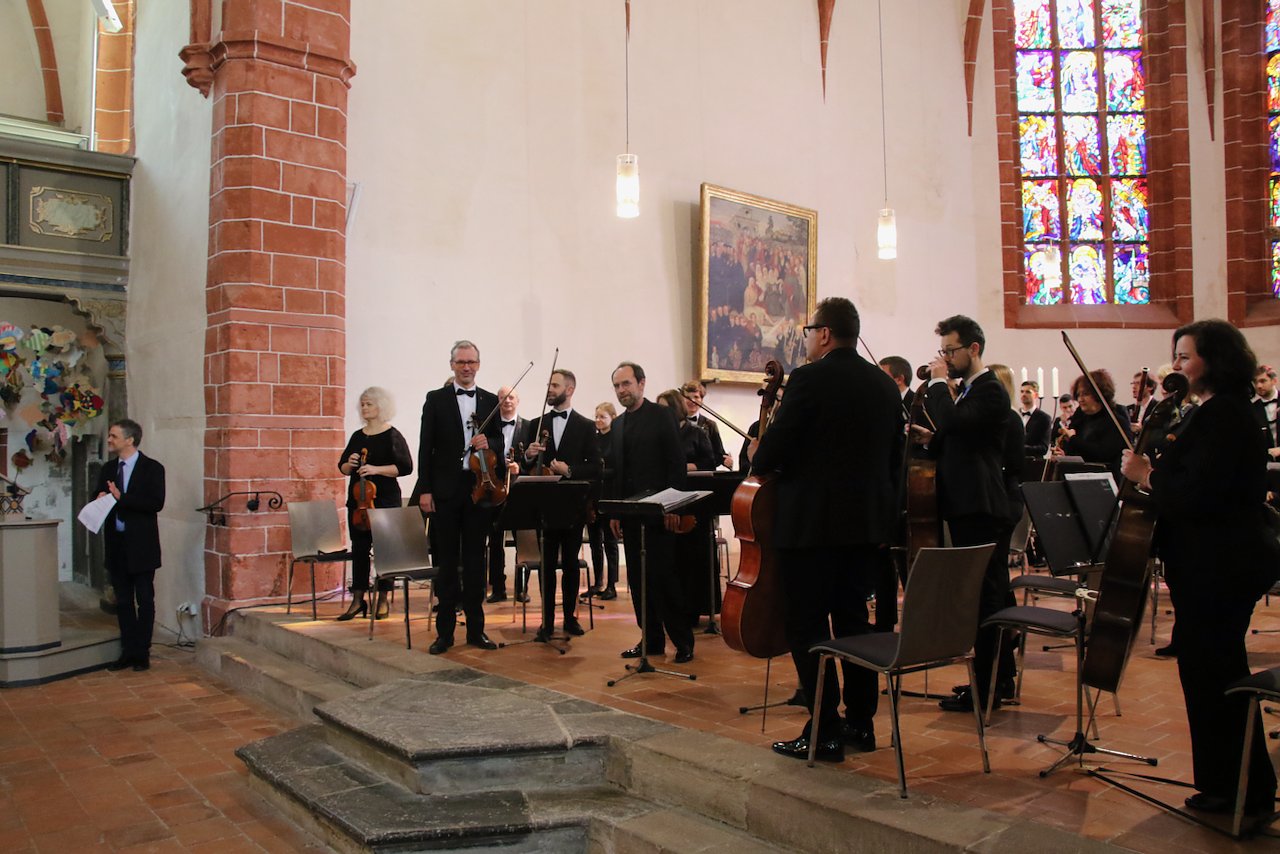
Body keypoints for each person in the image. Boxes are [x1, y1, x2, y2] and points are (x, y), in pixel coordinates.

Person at [1120, 319, 1279, 817]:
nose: (1176, 365)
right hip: (1210, 562)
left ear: (1215, 360)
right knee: (1211, 670)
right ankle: (1233, 785)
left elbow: (1198, 494)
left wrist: (1147, 475)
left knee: (1215, 672)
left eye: (1185, 357)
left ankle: (1239, 791)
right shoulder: (1214, 411)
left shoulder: (1224, 415)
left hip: (1219, 564)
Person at [748, 297, 903, 762]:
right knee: (854, 623)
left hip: (811, 529)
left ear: (825, 333)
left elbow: (771, 454)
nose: (807, 339)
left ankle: (824, 729)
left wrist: (759, 449)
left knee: (808, 626)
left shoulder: (809, 379)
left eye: (808, 330)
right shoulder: (884, 385)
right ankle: (861, 723)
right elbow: (895, 462)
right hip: (864, 530)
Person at [915, 315, 1016, 713]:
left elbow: (956, 422)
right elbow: (961, 436)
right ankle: (991, 679)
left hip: (980, 505)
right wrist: (932, 440)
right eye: (942, 351)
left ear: (973, 349)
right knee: (981, 594)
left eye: (950, 350)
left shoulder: (990, 389)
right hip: (968, 504)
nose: (945, 358)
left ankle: (989, 686)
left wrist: (939, 383)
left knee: (985, 596)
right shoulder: (971, 391)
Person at [411, 340, 504, 654]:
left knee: (476, 561)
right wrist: (425, 489)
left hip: (479, 488)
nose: (466, 367)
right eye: (461, 362)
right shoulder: (435, 399)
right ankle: (445, 634)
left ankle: (477, 631)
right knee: (447, 562)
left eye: (471, 362)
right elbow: (425, 446)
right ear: (452, 365)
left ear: (478, 365)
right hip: (445, 491)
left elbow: (500, 443)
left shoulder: (490, 400)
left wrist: (489, 442)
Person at [605, 361, 695, 663]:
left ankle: (683, 641)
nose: (621, 390)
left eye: (626, 384)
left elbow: (676, 464)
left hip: (660, 510)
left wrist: (673, 505)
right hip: (631, 514)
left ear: (641, 384)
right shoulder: (618, 424)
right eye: (617, 386)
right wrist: (616, 512)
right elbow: (617, 473)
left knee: (664, 577)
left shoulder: (661, 415)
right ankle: (651, 640)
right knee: (638, 580)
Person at [520, 369, 601, 640]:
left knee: (570, 563)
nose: (550, 389)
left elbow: (596, 467)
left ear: (570, 389)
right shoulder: (536, 424)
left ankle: (569, 617)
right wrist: (529, 455)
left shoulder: (586, 425)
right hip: (544, 504)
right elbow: (525, 465)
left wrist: (570, 470)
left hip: (572, 504)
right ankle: (546, 622)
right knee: (546, 565)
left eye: (555, 385)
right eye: (549, 384)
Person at [336, 388, 413, 621]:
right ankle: (358, 600)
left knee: (384, 551)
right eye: (362, 404)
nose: (364, 408)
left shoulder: (392, 435)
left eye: (369, 404)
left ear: (381, 406)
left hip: (384, 501)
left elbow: (405, 467)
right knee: (359, 549)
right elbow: (342, 467)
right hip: (358, 502)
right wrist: (350, 464)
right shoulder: (357, 436)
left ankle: (382, 599)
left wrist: (376, 469)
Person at [96, 419, 166, 672]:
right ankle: (128, 651)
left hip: (142, 546)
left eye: (114, 436)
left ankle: (142, 652)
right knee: (123, 601)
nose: (109, 440)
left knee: (144, 600)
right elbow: (98, 495)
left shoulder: (152, 468)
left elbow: (155, 503)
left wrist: (121, 498)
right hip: (117, 544)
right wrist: (99, 498)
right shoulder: (108, 469)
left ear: (130, 440)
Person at [486, 386, 527, 604]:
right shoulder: (490, 428)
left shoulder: (529, 427)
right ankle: (498, 588)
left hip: (519, 490)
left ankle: (521, 589)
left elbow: (533, 460)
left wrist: (520, 467)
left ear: (517, 400)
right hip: (494, 488)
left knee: (523, 542)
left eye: (511, 397)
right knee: (495, 542)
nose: (507, 401)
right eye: (502, 398)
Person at [1053, 370, 1133, 477]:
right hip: (1078, 476)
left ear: (1099, 393)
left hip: (1105, 477)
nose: (1080, 399)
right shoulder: (1079, 417)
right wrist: (1064, 456)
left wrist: (1073, 439)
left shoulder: (1115, 420)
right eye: (1078, 395)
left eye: (1085, 394)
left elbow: (1102, 454)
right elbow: (1074, 451)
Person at [584, 402, 620, 600]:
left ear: (612, 418)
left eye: (602, 417)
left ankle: (612, 585)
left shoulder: (617, 439)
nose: (598, 420)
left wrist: (599, 471)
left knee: (610, 542)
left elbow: (618, 468)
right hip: (593, 495)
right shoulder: (593, 439)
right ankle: (598, 582)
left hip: (610, 494)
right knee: (594, 542)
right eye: (596, 416)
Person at [682, 380, 733, 469]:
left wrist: (725, 460)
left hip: (705, 474)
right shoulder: (676, 423)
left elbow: (718, 453)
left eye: (696, 397)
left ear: (702, 400)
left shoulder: (710, 425)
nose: (692, 401)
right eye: (688, 397)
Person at [1017, 380, 1052, 457]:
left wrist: (1020, 448)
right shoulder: (1014, 415)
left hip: (1033, 462)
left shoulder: (1044, 418)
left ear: (1036, 395)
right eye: (1022, 391)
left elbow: (1043, 448)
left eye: (1028, 392)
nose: (1024, 394)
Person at [1254, 364, 1279, 460]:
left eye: (1263, 381)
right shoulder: (1253, 409)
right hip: (1267, 463)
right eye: (1255, 382)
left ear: (1274, 381)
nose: (1258, 386)